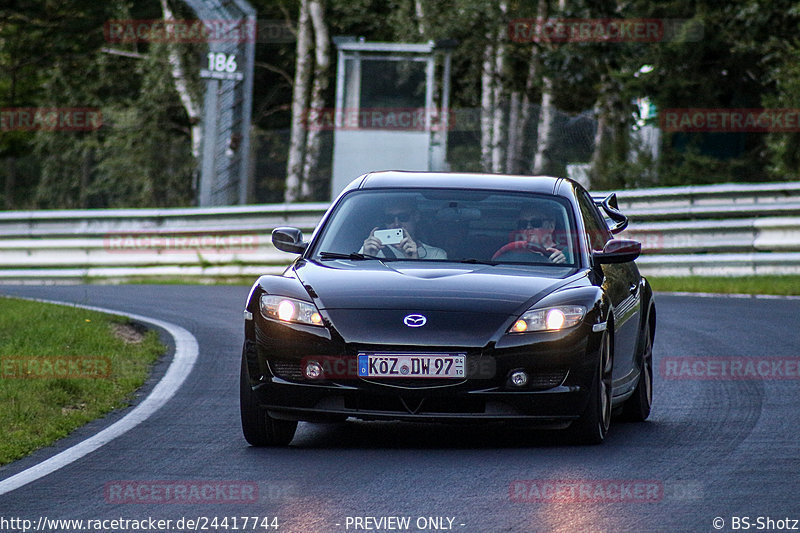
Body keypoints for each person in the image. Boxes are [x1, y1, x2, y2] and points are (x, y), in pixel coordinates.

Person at [361, 201, 447, 259]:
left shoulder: (436, 255)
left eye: (403, 217)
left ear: (416, 217)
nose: (396, 224)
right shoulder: (371, 249)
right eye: (389, 218)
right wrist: (367, 258)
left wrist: (414, 260)